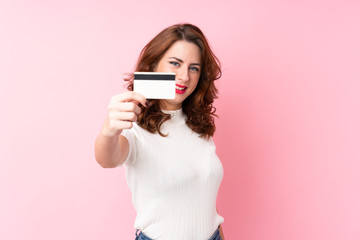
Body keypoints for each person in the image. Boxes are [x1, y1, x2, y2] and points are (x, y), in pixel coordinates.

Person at [94, 23, 225, 240]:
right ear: (154, 65)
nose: (184, 76)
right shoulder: (133, 126)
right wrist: (108, 131)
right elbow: (107, 158)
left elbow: (203, 195)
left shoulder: (199, 125)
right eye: (175, 63)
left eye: (194, 68)